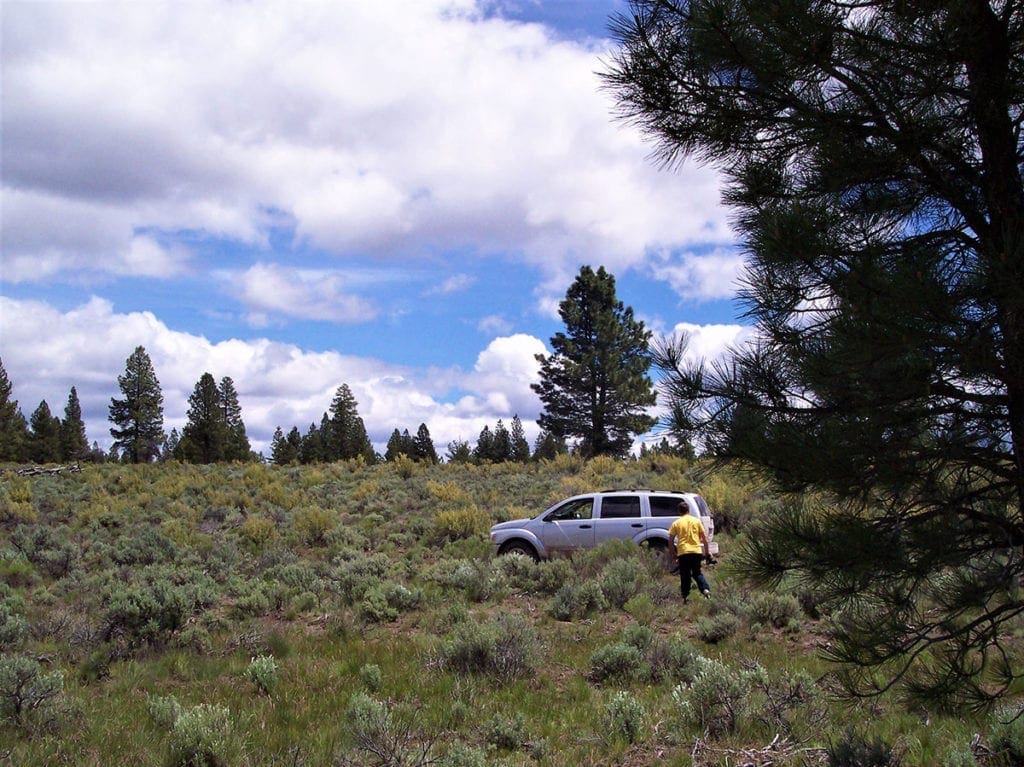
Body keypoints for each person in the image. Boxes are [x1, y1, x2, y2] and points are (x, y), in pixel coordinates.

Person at [667, 502, 713, 603]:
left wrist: (673, 554)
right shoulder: (696, 521)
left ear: (679, 511)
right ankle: (705, 589)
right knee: (697, 573)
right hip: (696, 551)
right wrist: (707, 553)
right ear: (689, 510)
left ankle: (686, 597)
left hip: (683, 552)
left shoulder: (676, 523)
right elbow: (705, 539)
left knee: (685, 575)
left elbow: (670, 540)